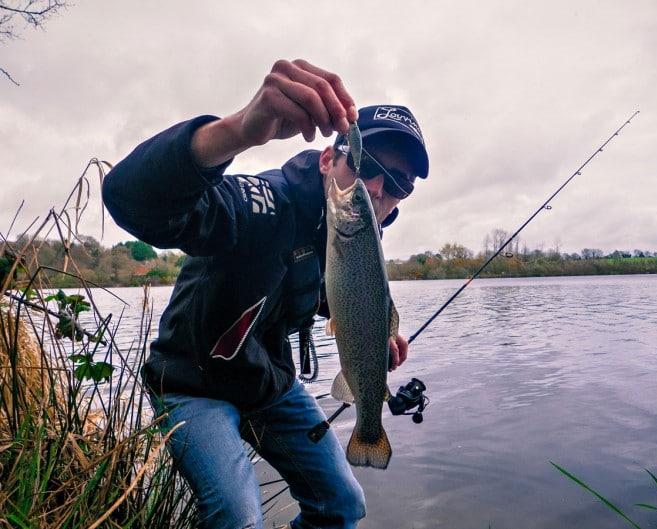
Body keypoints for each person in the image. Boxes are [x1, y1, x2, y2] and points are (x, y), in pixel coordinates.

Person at [102, 59, 430, 529]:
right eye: (366, 164)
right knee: (237, 518)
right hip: (192, 383)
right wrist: (236, 131)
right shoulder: (264, 202)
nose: (378, 187)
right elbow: (132, 199)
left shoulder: (354, 233)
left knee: (343, 505)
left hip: (268, 383)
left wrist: (373, 336)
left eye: (399, 183)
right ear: (326, 159)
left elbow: (319, 296)